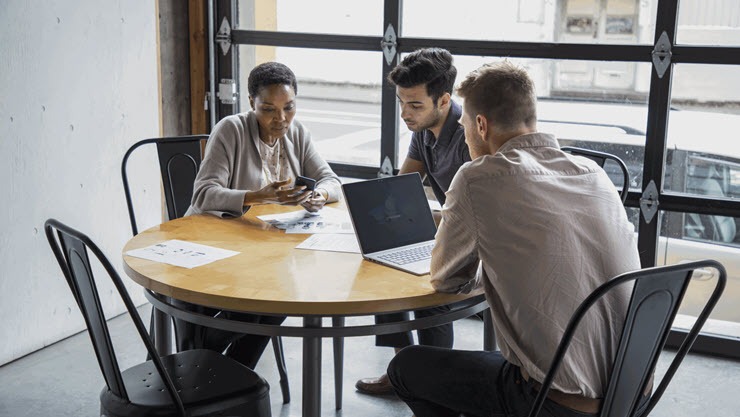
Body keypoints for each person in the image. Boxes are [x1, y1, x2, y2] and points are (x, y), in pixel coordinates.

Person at [387, 61, 641, 416]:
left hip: (553, 402)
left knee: (406, 366)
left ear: (480, 125)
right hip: (631, 394)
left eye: (463, 127)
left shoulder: (478, 178)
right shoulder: (593, 173)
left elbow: (446, 278)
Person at [182, 61, 342, 369]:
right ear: (251, 103)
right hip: (218, 247)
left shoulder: (297, 133)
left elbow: (331, 180)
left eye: (289, 107)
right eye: (268, 109)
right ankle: (214, 364)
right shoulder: (231, 129)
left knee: (277, 296)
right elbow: (202, 195)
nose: (281, 119)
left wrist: (318, 196)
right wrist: (258, 196)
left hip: (264, 249)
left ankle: (227, 370)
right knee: (260, 301)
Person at [355, 47, 471, 395]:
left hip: (473, 242)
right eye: (401, 103)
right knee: (380, 261)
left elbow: (477, 214)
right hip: (447, 232)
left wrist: (430, 219)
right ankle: (404, 367)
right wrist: (371, 216)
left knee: (428, 284)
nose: (405, 114)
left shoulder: (469, 137)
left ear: (445, 100)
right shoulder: (423, 130)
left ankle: (430, 379)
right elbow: (401, 189)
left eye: (415, 105)